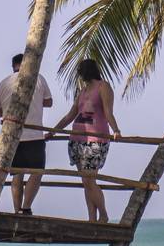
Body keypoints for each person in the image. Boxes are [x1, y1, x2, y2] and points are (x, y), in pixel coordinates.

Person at [49, 59, 121, 222]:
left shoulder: (103, 87)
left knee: (89, 180)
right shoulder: (82, 91)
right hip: (77, 139)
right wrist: (53, 131)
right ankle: (91, 218)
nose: (79, 75)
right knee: (86, 181)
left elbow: (108, 112)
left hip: (95, 139)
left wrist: (116, 130)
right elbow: (70, 115)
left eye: (80, 72)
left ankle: (103, 214)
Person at [0, 52, 53, 217]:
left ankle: (16, 209)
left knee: (17, 173)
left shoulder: (3, 83)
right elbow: (49, 102)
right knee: (37, 171)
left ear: (13, 66)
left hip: (12, 136)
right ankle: (26, 208)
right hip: (34, 134)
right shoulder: (39, 78)